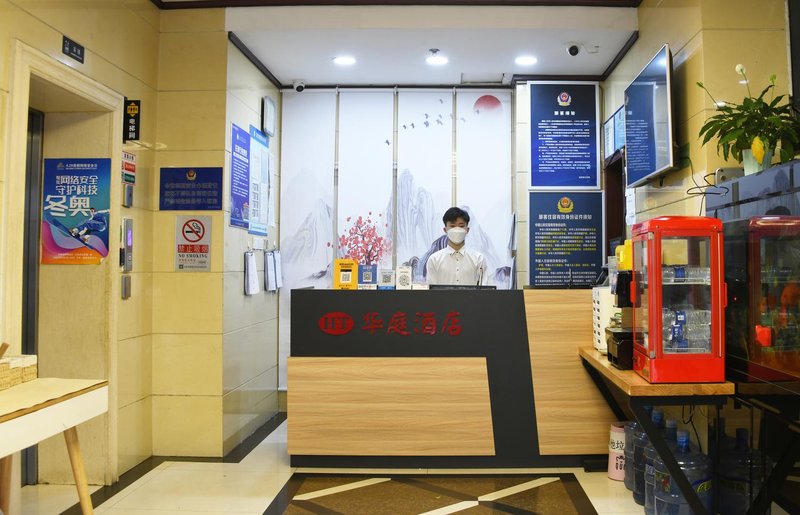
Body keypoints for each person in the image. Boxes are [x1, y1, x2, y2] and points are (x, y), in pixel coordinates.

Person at [425, 207, 487, 285]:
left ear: (467, 230)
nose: (457, 230)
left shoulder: (479, 259)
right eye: (452, 226)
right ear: (445, 230)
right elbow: (431, 289)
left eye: (461, 226)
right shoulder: (434, 260)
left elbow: (485, 289)